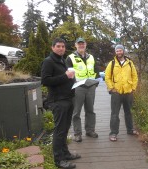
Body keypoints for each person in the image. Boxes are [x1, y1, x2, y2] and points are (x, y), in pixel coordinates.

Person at [41, 37, 81, 169]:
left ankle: (65, 153)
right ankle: (59, 160)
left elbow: (64, 78)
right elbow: (45, 81)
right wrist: (66, 77)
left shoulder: (62, 60)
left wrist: (73, 80)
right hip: (58, 101)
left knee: (64, 129)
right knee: (59, 131)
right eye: (58, 46)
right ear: (53, 47)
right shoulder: (49, 61)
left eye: (63, 46)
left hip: (68, 99)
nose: (61, 48)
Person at [66, 37, 99, 142]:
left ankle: (90, 130)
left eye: (83, 43)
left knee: (90, 110)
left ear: (85, 45)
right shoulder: (70, 58)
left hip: (90, 87)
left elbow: (96, 71)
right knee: (76, 112)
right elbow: (69, 74)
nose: (81, 45)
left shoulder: (91, 57)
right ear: (75, 45)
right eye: (79, 44)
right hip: (78, 88)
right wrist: (73, 86)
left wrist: (95, 84)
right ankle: (77, 133)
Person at [104, 44, 138, 142]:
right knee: (114, 114)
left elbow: (135, 76)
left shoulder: (130, 63)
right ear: (116, 52)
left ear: (123, 51)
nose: (119, 52)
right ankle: (113, 133)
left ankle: (130, 130)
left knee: (129, 112)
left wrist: (133, 88)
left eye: (120, 50)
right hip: (116, 92)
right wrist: (111, 88)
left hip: (128, 92)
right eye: (117, 51)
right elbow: (107, 77)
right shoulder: (112, 63)